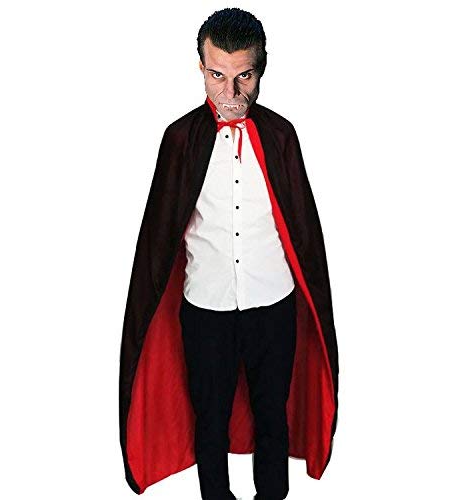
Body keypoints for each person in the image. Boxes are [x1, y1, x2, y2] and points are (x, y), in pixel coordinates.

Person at [119, 8, 339, 500]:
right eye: (217, 75)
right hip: (205, 306)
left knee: (273, 417)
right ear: (201, 67)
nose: (231, 92)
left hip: (273, 302)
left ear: (262, 69)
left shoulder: (281, 136)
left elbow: (303, 231)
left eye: (244, 76)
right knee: (210, 419)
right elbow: (159, 237)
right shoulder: (180, 139)